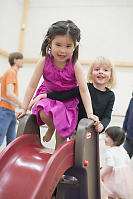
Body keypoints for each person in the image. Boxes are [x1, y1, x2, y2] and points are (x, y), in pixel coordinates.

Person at [16, 20, 98, 149]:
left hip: (67, 101)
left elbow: (84, 90)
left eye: (68, 46)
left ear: (75, 46)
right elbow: (32, 86)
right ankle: (50, 127)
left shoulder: (75, 65)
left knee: (62, 135)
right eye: (58, 44)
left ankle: (56, 158)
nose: (62, 50)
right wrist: (23, 107)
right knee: (44, 112)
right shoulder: (44, 61)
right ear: (49, 41)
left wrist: (90, 113)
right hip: (48, 97)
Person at [43, 56, 116, 133]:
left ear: (111, 75)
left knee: (90, 145)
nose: (101, 72)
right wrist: (47, 95)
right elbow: (65, 95)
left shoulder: (110, 95)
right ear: (91, 73)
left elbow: (107, 116)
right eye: (97, 69)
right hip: (77, 129)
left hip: (94, 131)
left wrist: (103, 125)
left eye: (105, 70)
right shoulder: (84, 88)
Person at [100, 126, 133, 199]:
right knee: (121, 194)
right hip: (124, 177)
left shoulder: (110, 151)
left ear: (115, 140)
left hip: (113, 177)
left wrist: (101, 174)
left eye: (107, 137)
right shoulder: (122, 149)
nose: (104, 139)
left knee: (111, 194)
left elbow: (110, 166)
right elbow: (127, 160)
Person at [0, 52, 23, 146]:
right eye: (21, 59)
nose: (23, 61)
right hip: (5, 111)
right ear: (15, 60)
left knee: (11, 143)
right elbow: (10, 93)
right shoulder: (11, 72)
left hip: (10, 111)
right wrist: (23, 105)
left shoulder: (10, 72)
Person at [123, 92, 133, 159]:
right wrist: (123, 130)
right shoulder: (132, 100)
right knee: (122, 159)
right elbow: (127, 115)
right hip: (129, 137)